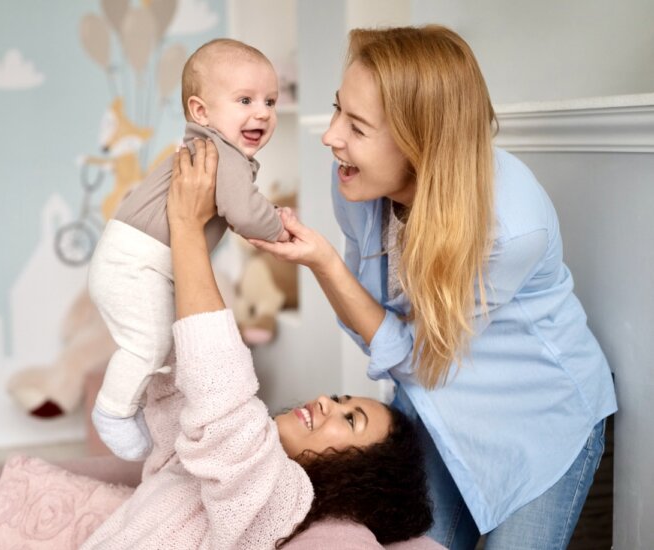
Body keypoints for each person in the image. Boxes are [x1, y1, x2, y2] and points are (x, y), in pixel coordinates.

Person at [249, 26, 617, 550]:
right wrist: (325, 263)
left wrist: (326, 265)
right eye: (337, 111)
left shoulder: (508, 228)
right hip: (434, 408)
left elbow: (417, 357)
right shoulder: (354, 184)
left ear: (419, 138)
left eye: (355, 125)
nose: (331, 136)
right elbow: (380, 327)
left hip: (536, 423)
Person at [80, 138, 434, 549]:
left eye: (349, 419)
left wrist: (188, 230)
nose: (325, 402)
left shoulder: (278, 501)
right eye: (341, 398)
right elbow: (186, 388)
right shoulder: (228, 454)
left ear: (358, 475)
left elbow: (222, 398)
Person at [88, 38, 289, 461]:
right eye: (245, 100)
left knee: (171, 349)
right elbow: (246, 213)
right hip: (134, 264)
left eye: (270, 101)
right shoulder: (221, 152)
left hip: (140, 262)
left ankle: (144, 410)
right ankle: (112, 411)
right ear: (202, 112)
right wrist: (279, 227)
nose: (262, 113)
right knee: (148, 344)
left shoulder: (211, 148)